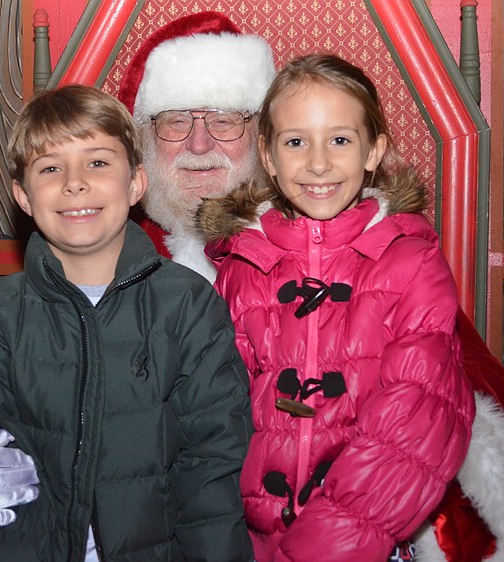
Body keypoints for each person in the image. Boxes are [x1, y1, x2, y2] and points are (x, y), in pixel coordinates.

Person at [0, 11, 504, 562]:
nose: (199, 144)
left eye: (224, 120)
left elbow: (445, 395)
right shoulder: (76, 267)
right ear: (143, 151)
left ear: (262, 143)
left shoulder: (377, 256)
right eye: (173, 122)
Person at [0, 84, 254, 562]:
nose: (74, 182)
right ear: (23, 195)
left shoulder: (187, 304)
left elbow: (211, 469)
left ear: (136, 183)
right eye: (50, 168)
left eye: (98, 162)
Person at [196, 53, 474, 561]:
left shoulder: (411, 263)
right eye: (296, 141)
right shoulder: (242, 267)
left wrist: (318, 549)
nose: (318, 163)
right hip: (253, 540)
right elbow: (212, 416)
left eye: (340, 140)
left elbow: (414, 427)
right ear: (270, 156)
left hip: (363, 542)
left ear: (374, 151)